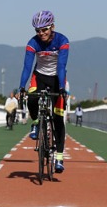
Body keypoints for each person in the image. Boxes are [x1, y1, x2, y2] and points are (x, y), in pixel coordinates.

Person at [19, 10, 70, 173]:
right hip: (39, 76)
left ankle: (60, 157)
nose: (41, 34)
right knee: (32, 99)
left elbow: (61, 66)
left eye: (45, 30)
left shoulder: (62, 40)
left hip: (57, 78)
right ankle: (35, 123)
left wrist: (61, 88)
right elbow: (27, 67)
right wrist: (21, 87)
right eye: (38, 31)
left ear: (52, 27)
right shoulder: (33, 43)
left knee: (58, 117)